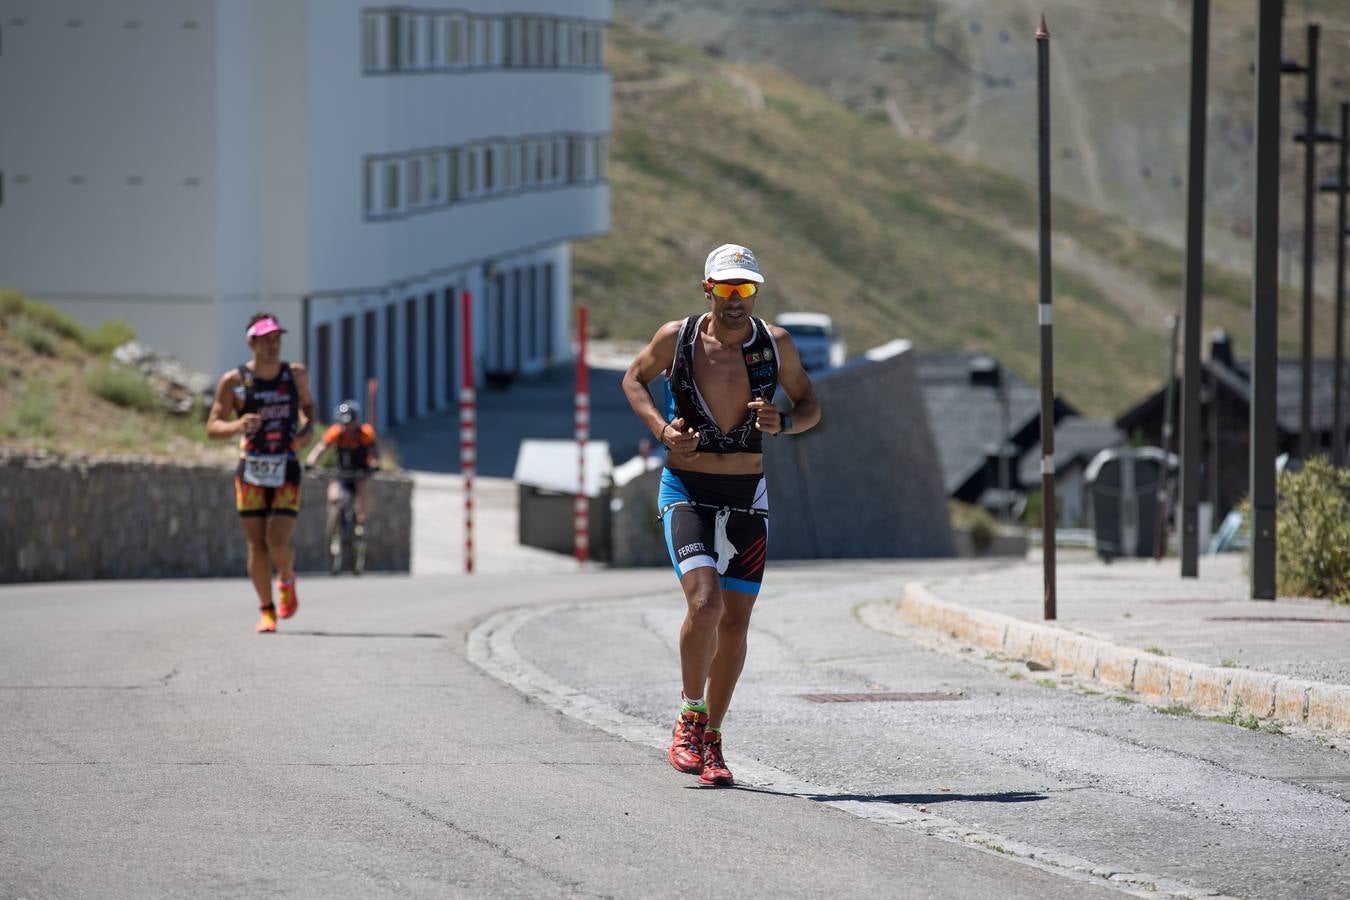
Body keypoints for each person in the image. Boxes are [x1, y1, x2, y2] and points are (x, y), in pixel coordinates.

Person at [621, 243, 820, 786]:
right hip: (686, 487)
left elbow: (810, 405)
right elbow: (633, 379)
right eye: (728, 288)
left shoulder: (775, 344)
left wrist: (785, 423)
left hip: (747, 493)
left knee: (735, 623)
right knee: (705, 602)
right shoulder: (678, 337)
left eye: (746, 289)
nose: (737, 299)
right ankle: (689, 717)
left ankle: (712, 740)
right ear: (707, 289)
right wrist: (662, 431)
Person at [207, 313, 316, 633]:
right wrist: (238, 425)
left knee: (277, 540)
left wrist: (307, 431)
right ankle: (267, 611)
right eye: (266, 340)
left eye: (277, 339)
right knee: (256, 544)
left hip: (286, 465)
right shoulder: (234, 381)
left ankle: (286, 578)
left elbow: (308, 408)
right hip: (252, 468)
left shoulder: (295, 374)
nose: (273, 345)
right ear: (251, 342)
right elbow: (212, 427)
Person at [305, 399, 380, 540]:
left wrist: (374, 465)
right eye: (344, 423)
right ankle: (334, 526)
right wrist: (310, 462)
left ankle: (360, 522)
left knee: (362, 488)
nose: (347, 427)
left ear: (356, 420)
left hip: (359, 471)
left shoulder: (365, 433)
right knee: (333, 495)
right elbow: (321, 448)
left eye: (350, 422)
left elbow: (374, 453)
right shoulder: (336, 432)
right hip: (342, 471)